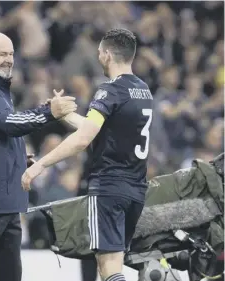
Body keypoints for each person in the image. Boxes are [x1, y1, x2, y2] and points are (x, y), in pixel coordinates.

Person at [22, 28, 154, 281]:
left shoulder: (110, 90)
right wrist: (63, 114)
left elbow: (84, 139)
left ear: (106, 54)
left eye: (99, 53)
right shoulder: (142, 90)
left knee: (108, 267)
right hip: (135, 190)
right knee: (114, 264)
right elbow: (97, 128)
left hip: (109, 188)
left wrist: (41, 164)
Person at [0, 31, 77, 281]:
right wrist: (48, 112)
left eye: (11, 54)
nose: (8, 59)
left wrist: (21, 159)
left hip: (6, 204)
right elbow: (9, 123)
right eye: (1, 54)